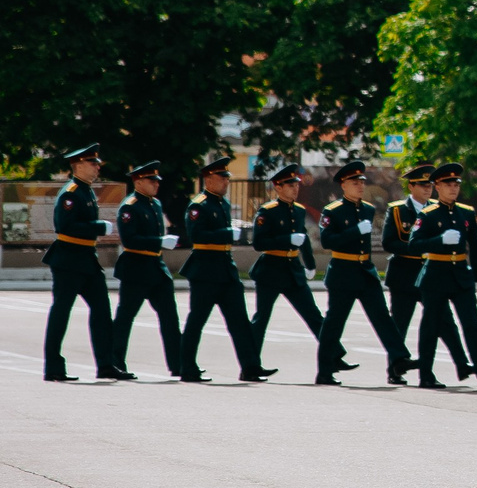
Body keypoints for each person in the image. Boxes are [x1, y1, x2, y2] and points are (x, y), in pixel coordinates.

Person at [248, 163, 347, 383]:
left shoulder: (299, 210)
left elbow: (304, 241)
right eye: (290, 185)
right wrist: (286, 239)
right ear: (278, 187)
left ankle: (334, 356)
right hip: (271, 270)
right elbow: (258, 243)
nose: (295, 189)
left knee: (313, 315)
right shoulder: (267, 211)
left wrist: (310, 264)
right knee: (261, 319)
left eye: (296, 185)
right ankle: (250, 366)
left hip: (292, 270)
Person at [316, 161, 405, 384]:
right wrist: (354, 231)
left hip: (365, 271)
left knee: (382, 318)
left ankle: (399, 359)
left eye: (362, 182)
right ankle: (325, 370)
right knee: (335, 322)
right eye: (355, 182)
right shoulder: (332, 211)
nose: (360, 186)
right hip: (343, 272)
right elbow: (327, 241)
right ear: (343, 185)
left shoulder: (367, 209)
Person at [178, 158, 264, 381]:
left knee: (239, 322)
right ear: (208, 179)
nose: (226, 182)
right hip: (205, 270)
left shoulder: (223, 204)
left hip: (225, 269)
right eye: (222, 178)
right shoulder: (199, 205)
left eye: (227, 178)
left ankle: (250, 367)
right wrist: (226, 234)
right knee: (197, 321)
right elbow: (197, 235)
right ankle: (187, 368)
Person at [41, 144, 116, 381]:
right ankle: (53, 367)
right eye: (93, 163)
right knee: (61, 312)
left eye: (97, 164)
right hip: (69, 260)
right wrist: (98, 227)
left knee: (102, 311)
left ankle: (106, 364)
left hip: (87, 260)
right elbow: (66, 226)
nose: (97, 167)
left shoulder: (86, 190)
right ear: (78, 165)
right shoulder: (71, 193)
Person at [108, 159, 186, 380]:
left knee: (170, 318)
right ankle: (115, 363)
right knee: (125, 318)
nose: (156, 184)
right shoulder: (129, 206)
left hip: (157, 268)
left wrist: (161, 243)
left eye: (157, 180)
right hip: (136, 269)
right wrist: (159, 241)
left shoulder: (155, 204)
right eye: (151, 181)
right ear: (138, 182)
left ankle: (178, 364)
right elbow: (130, 239)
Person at [409, 162, 477, 388]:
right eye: (448, 185)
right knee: (431, 327)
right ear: (438, 187)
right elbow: (414, 244)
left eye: (456, 184)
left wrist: (476, 276)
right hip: (436, 275)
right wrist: (439, 240)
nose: (453, 189)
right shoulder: (427, 214)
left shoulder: (466, 212)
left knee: (472, 324)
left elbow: (474, 246)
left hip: (460, 274)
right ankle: (426, 374)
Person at [383, 162, 436, 377]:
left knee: (435, 323)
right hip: (403, 275)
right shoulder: (397, 210)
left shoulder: (436, 209)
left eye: (430, 185)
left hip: (429, 275)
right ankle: (394, 369)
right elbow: (389, 242)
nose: (427, 189)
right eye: (423, 185)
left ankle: (427, 371)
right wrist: (417, 248)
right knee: (399, 326)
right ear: (411, 186)